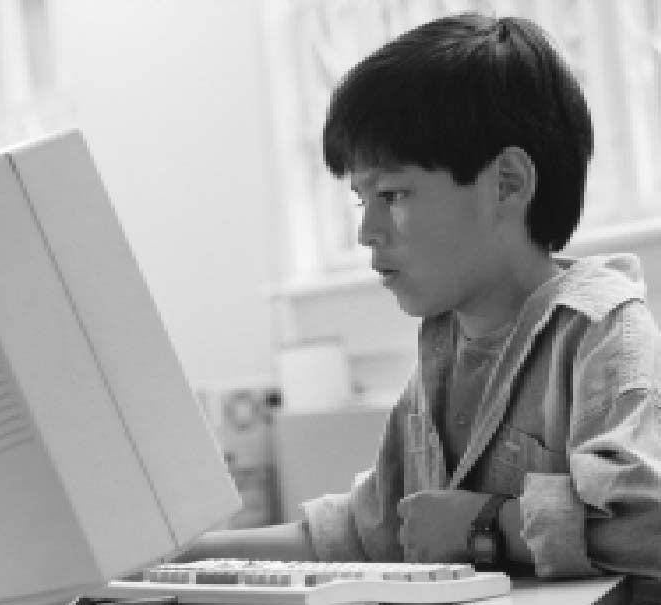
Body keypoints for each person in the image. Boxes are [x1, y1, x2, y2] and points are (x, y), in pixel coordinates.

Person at [179, 12, 661, 582]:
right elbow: (363, 532)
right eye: (363, 201)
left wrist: (486, 525)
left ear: (506, 182)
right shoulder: (442, 352)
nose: (367, 232)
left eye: (393, 193)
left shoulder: (601, 328)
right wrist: (179, 555)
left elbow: (647, 524)